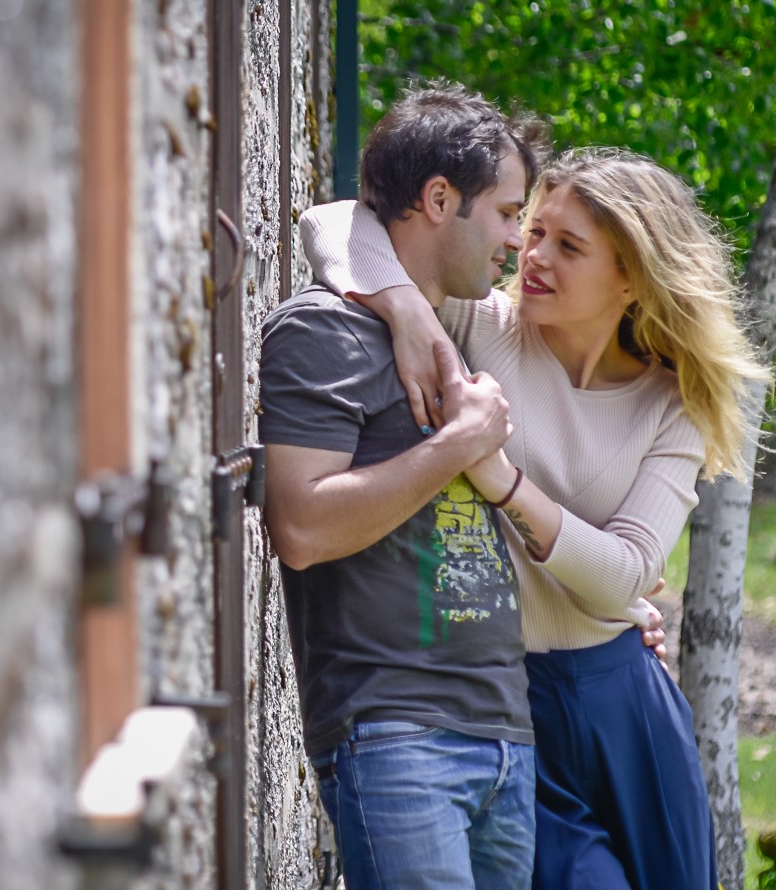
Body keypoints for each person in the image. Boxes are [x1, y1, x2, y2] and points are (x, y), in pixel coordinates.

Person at [301, 144, 771, 889]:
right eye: (536, 229)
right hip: (508, 699)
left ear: (631, 278)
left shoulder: (673, 402)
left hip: (627, 706)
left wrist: (503, 480)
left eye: (569, 245)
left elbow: (626, 574)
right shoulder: (481, 324)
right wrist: (403, 308)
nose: (532, 252)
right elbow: (332, 225)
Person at [259, 82, 551, 890]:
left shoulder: (461, 330)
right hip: (393, 734)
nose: (516, 239)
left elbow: (334, 222)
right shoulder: (319, 330)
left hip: (504, 736)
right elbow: (303, 526)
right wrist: (459, 443)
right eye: (504, 212)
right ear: (437, 198)